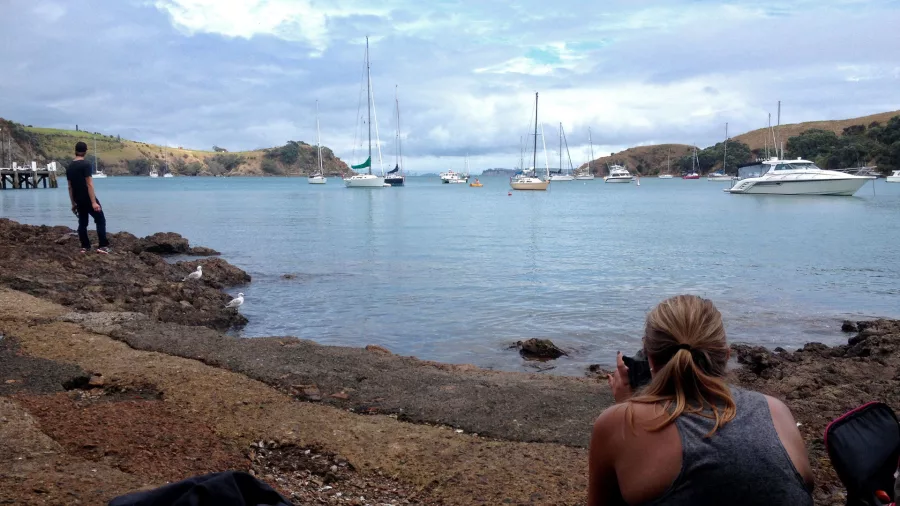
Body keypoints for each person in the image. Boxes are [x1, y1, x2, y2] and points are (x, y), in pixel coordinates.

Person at [589, 295, 814, 505]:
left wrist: (625, 407)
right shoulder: (776, 411)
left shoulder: (618, 424)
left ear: (649, 357)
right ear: (726, 356)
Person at [66, 141, 109, 254]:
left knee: (83, 222)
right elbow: (89, 184)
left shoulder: (69, 167)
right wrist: (94, 202)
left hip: (78, 199)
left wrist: (73, 203)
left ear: (75, 151)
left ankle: (85, 246)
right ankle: (103, 246)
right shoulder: (86, 165)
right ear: (85, 151)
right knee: (100, 219)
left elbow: (70, 187)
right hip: (88, 198)